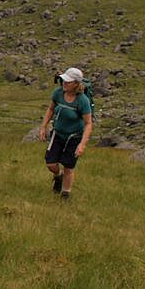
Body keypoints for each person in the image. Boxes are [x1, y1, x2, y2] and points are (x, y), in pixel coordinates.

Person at [38, 67, 93, 200]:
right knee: (51, 164)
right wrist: (43, 127)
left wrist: (82, 144)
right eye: (64, 80)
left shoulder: (82, 101)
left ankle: (65, 194)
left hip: (74, 137)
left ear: (76, 84)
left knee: (68, 167)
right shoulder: (58, 93)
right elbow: (51, 109)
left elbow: (88, 124)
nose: (64, 83)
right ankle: (58, 176)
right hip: (57, 134)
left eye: (68, 82)